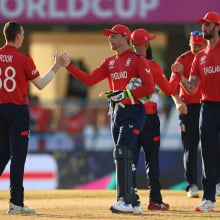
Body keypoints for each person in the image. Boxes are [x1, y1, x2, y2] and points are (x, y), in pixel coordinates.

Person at [62, 24, 155, 214]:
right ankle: (134, 200)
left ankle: (125, 201)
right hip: (116, 113)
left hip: (134, 111)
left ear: (124, 37)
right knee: (122, 156)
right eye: (109, 36)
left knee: (122, 151)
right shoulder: (109, 62)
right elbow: (89, 80)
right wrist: (68, 66)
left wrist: (126, 93)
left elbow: (149, 88)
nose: (109, 39)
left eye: (113, 36)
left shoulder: (137, 60)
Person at [0, 21, 66, 214]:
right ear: (19, 36)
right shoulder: (24, 59)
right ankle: (16, 203)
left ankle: (16, 203)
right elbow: (41, 84)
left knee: (2, 154)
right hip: (18, 111)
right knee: (17, 157)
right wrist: (56, 66)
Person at [172, 11, 220, 211]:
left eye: (208, 25)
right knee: (207, 152)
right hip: (207, 106)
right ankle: (209, 198)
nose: (204, 27)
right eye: (203, 24)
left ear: (218, 27)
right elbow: (192, 88)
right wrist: (181, 76)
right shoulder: (199, 58)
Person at [130, 28, 181, 211]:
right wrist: (176, 74)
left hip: (131, 117)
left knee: (131, 160)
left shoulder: (126, 65)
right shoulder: (153, 67)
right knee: (152, 159)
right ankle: (155, 200)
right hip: (149, 118)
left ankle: (130, 198)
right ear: (146, 44)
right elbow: (169, 90)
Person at [171, 30, 207, 198]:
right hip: (189, 107)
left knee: (212, 146)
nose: (198, 48)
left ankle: (215, 182)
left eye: (201, 45)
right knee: (190, 147)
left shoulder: (211, 57)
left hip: (208, 105)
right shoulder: (182, 60)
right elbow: (172, 87)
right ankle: (191, 184)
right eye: (195, 45)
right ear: (190, 44)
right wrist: (178, 102)